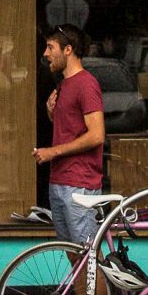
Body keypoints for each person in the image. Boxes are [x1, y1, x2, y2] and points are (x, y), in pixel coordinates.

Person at [38, 25, 107, 251]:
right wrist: (51, 113)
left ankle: (96, 289)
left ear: (68, 50)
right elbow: (70, 129)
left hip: (80, 184)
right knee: (74, 257)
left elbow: (97, 135)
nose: (45, 54)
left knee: (88, 259)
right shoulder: (64, 84)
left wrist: (52, 152)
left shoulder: (86, 84)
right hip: (59, 181)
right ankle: (80, 290)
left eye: (50, 47)